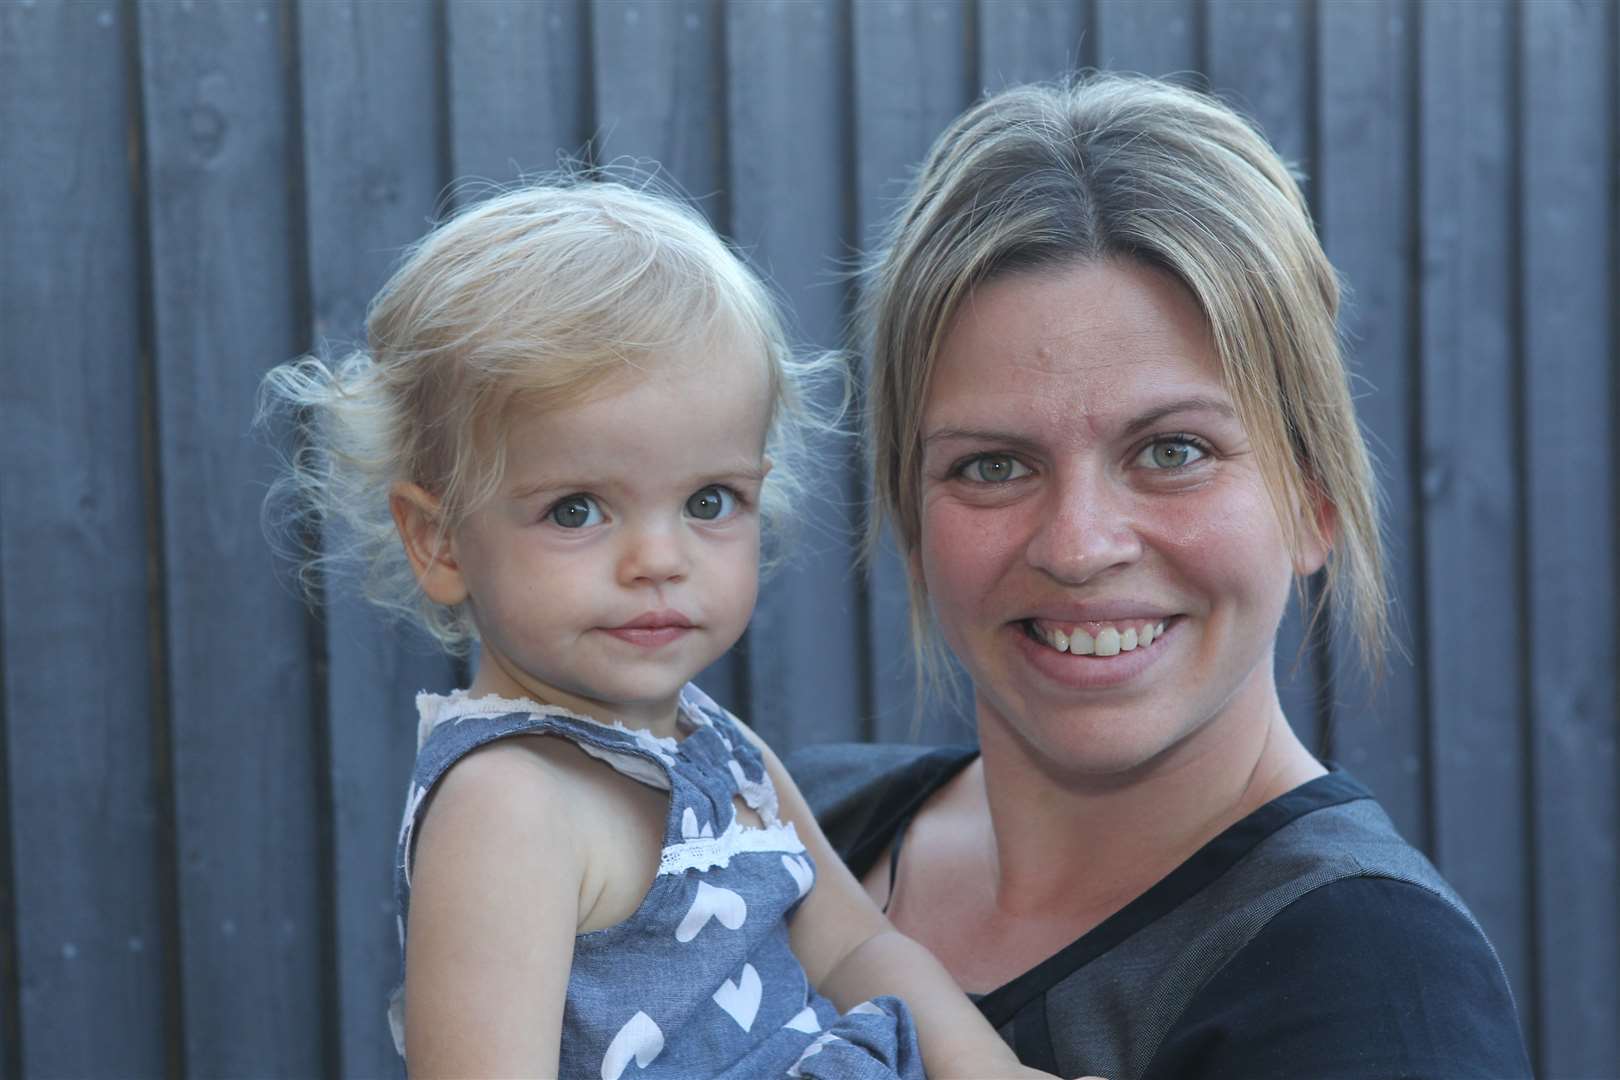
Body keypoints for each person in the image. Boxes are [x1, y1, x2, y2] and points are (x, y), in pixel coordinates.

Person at [790, 74, 1532, 1079]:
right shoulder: (782, 836)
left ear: (1312, 496)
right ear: (910, 518)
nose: (1080, 545)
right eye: (993, 466)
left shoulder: (1374, 984)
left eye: (1173, 450)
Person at [260, 180, 1078, 1079]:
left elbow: (859, 955)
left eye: (708, 501)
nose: (659, 557)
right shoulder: (511, 803)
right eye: (577, 510)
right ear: (440, 538)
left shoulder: (726, 756)